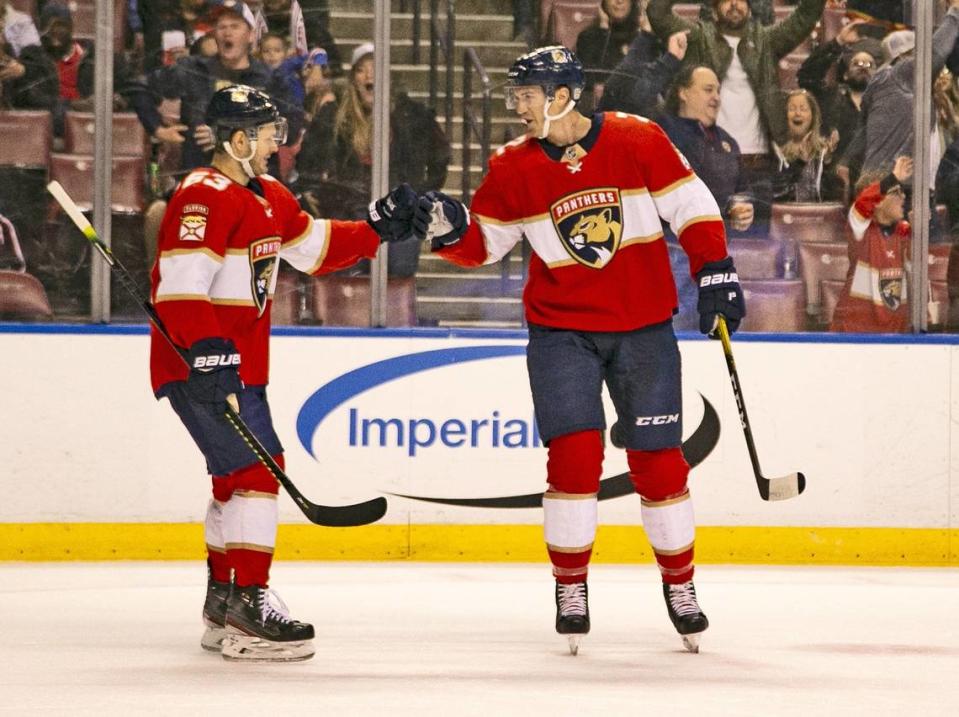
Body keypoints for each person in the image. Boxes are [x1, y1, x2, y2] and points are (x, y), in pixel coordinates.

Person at [389, 46, 746, 654]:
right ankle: (571, 587)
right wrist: (446, 229)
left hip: (643, 328)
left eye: (527, 96)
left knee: (659, 463)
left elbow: (691, 206)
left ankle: (681, 587)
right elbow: (485, 245)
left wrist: (714, 268)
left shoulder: (638, 138)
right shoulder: (512, 165)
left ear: (562, 96)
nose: (518, 106)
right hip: (562, 333)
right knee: (574, 460)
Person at [150, 84, 415, 660]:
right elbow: (180, 286)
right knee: (257, 474)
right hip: (202, 366)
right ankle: (249, 604)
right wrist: (208, 353)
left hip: (238, 367)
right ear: (238, 138)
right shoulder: (202, 196)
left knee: (234, 479)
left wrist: (377, 228)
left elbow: (314, 247)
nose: (278, 143)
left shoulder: (267, 193)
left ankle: (224, 603)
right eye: (269, 134)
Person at [296, 42, 451, 277]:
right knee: (347, 276)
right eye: (361, 69)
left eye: (376, 67)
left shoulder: (414, 114)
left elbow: (440, 156)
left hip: (399, 212)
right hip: (346, 212)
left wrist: (421, 195)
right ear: (353, 80)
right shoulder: (332, 116)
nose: (369, 74)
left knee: (398, 271)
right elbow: (307, 161)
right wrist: (319, 193)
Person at [647, 0, 826, 162]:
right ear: (714, 9)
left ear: (749, 8)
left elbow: (807, 14)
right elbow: (657, 13)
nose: (734, 3)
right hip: (709, 158)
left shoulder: (767, 41)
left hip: (759, 160)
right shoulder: (698, 38)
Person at [831, 156, 913, 333]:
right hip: (854, 333)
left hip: (894, 335)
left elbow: (915, 270)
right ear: (878, 201)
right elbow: (861, 205)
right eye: (896, 192)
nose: (903, 196)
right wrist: (892, 177)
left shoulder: (904, 231)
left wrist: (920, 233)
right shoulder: (860, 230)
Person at [796, 21, 881, 164]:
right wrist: (838, 42)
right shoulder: (829, 98)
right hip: (832, 179)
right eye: (857, 63)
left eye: (869, 65)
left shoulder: (884, 106)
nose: (863, 68)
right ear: (845, 75)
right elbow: (807, 75)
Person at [771, 89, 842, 203]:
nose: (797, 113)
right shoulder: (776, 151)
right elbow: (778, 193)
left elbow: (834, 196)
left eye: (803, 109)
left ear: (812, 116)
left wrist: (828, 162)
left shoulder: (824, 151)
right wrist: (800, 162)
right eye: (792, 109)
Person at [575, 0, 644, 112]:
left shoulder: (641, 39)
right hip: (600, 110)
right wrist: (604, 31)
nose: (619, 1)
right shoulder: (588, 37)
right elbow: (591, 77)